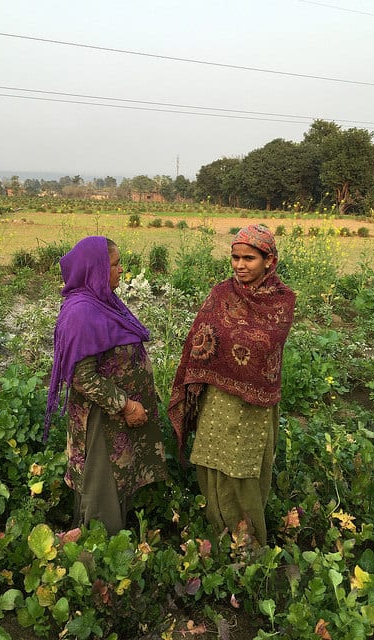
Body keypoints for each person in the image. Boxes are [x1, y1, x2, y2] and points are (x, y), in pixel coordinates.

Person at [168, 224, 295, 545]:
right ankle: (220, 535)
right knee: (211, 461)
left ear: (269, 260)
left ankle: (249, 544)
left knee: (243, 468)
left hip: (253, 404)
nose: (240, 265)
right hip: (217, 400)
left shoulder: (281, 300)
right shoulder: (221, 293)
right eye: (235, 257)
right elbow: (200, 337)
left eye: (249, 258)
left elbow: (265, 346)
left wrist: (227, 344)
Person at [45, 236, 167, 535]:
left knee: (115, 481)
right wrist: (125, 405)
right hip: (101, 419)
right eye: (114, 264)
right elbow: (81, 376)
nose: (121, 270)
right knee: (102, 485)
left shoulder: (103, 302)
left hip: (116, 417)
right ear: (95, 269)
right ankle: (97, 551)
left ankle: (107, 545)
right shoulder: (81, 313)